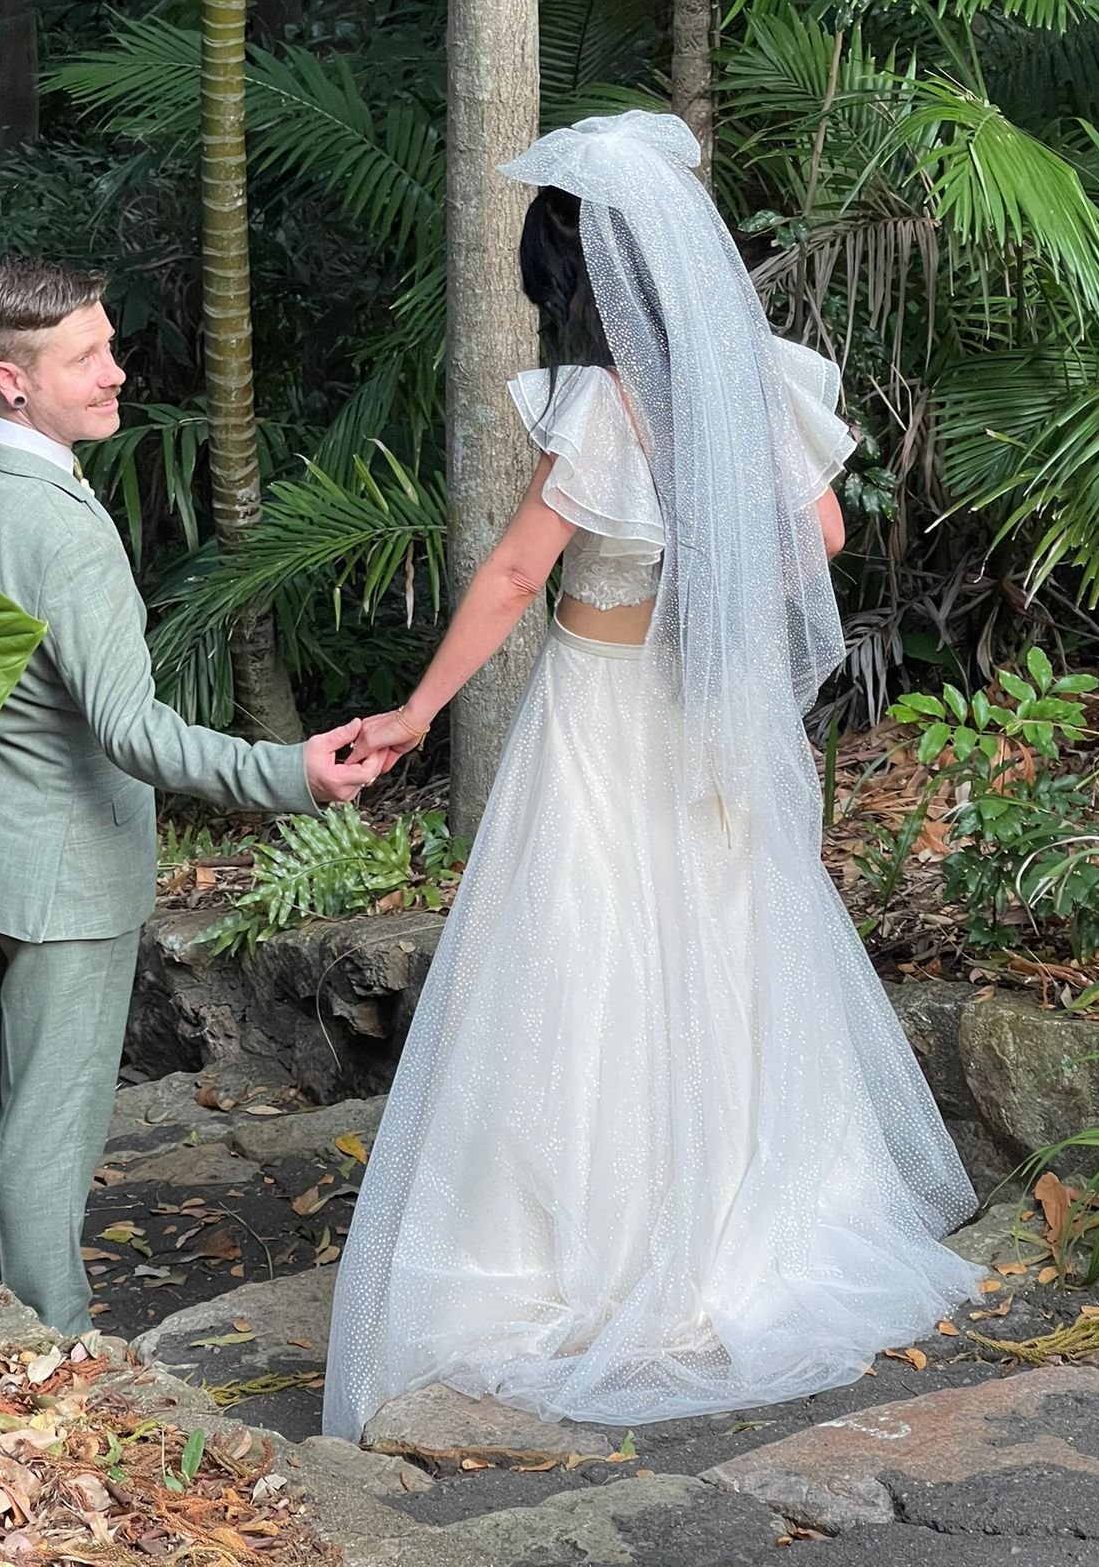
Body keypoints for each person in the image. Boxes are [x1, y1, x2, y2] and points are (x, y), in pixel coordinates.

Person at [321, 111, 979, 1441]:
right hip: (701, 711)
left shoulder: (604, 409)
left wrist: (413, 710)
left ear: (577, 281)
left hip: (601, 708)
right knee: (723, 950)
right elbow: (826, 535)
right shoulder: (748, 385)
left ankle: (587, 1253)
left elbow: (515, 575)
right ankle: (749, 1220)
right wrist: (713, 607)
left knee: (581, 953)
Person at [0, 258, 377, 1336]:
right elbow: (131, 728)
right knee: (50, 1121)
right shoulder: (65, 527)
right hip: (64, 867)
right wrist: (287, 770)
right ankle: (55, 1348)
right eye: (89, 356)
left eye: (109, 345)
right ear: (10, 381)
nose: (119, 372)